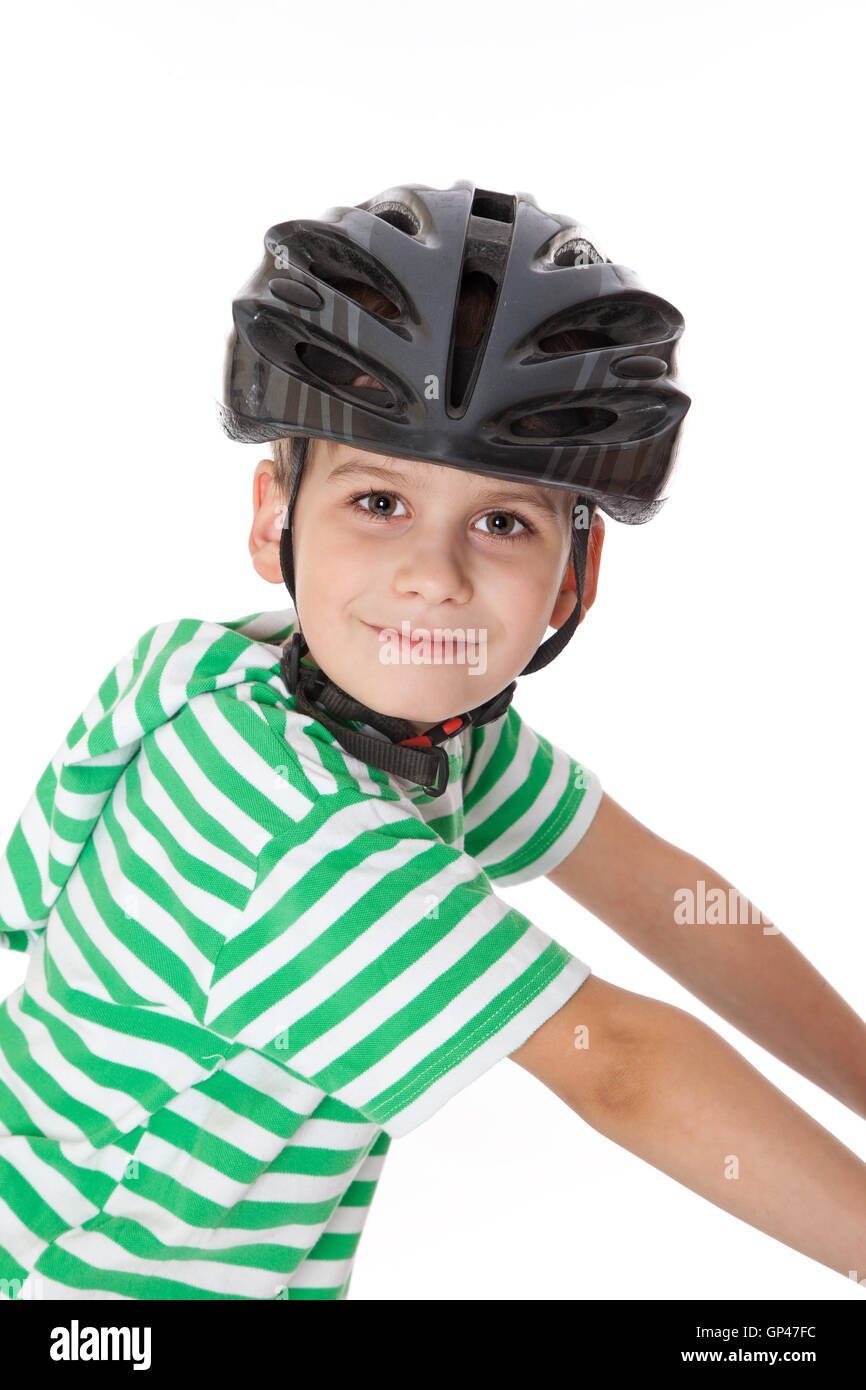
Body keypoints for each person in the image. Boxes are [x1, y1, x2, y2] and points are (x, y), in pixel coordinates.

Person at [0, 181, 864, 1302]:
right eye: (377, 503)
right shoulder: (289, 830)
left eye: (500, 522)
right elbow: (625, 1072)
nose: (432, 574)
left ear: (575, 576)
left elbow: (664, 895)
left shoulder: (324, 699)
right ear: (273, 518)